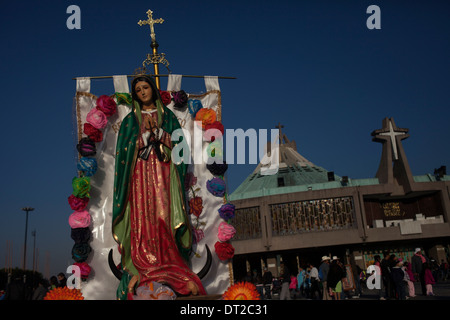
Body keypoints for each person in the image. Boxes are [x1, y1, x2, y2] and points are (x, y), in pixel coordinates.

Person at [112, 74, 206, 299]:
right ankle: (144, 265)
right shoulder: (130, 122)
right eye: (138, 90)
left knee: (164, 216)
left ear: (153, 89)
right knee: (144, 219)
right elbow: (122, 154)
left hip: (164, 175)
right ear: (135, 95)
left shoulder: (169, 117)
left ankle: (169, 261)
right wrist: (142, 140)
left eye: (146, 87)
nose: (143, 92)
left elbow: (180, 149)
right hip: (139, 179)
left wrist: (163, 136)